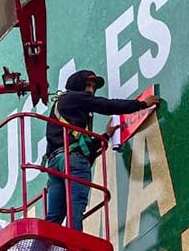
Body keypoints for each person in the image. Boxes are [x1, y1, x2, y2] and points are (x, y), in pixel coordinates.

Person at [42, 70, 159, 230]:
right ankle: (75, 240)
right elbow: (107, 105)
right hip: (72, 161)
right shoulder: (74, 97)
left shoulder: (64, 107)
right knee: (76, 204)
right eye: (87, 85)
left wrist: (105, 136)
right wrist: (142, 104)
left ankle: (38, 247)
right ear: (77, 85)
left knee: (54, 217)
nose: (91, 90)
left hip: (55, 166)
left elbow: (82, 145)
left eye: (93, 87)